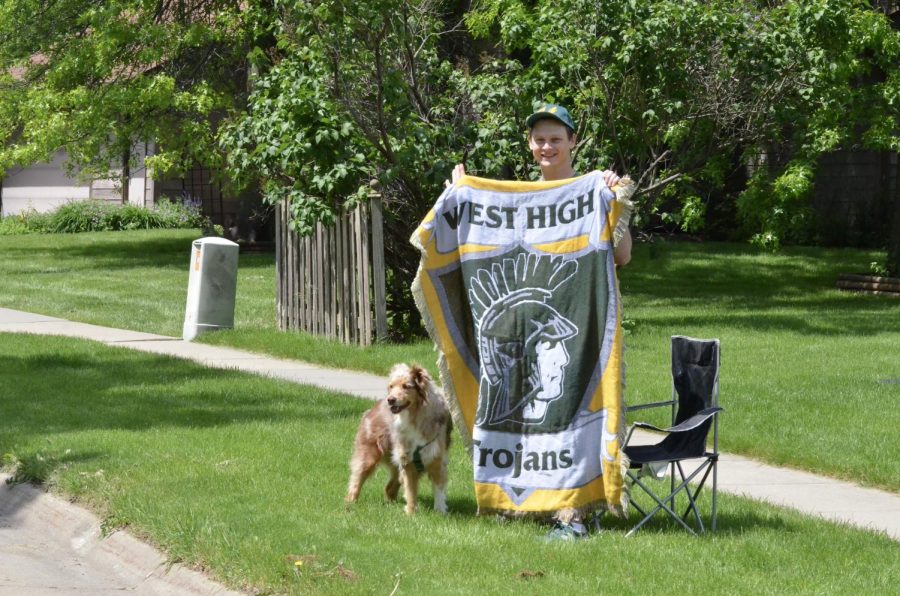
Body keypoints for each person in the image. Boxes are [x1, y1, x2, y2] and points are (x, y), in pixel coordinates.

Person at [447, 103, 632, 540]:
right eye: (539, 139)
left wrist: (616, 201)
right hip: (522, 340)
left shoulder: (594, 190)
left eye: (555, 138)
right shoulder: (511, 197)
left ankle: (576, 515)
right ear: (530, 146)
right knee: (531, 417)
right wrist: (460, 194)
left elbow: (621, 257)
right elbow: (458, 245)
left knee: (575, 413)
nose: (547, 146)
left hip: (584, 330)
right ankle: (528, 502)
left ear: (571, 142)